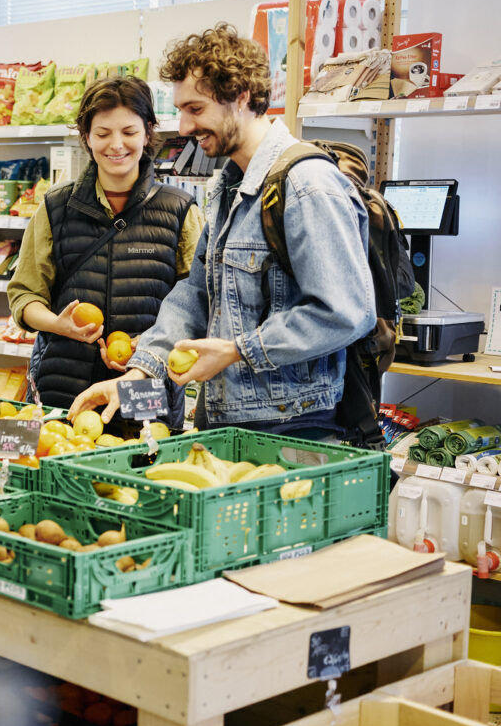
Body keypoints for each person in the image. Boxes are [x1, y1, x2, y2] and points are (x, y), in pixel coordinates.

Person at [70, 23, 376, 440]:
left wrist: (237, 351)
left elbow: (345, 312)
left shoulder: (307, 186)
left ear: (241, 96)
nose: (182, 126)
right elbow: (194, 296)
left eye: (195, 109)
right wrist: (139, 374)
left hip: (295, 428)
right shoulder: (227, 189)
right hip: (228, 418)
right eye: (180, 109)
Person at [6, 75, 202, 425]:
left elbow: (199, 304)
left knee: (141, 468)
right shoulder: (55, 208)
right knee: (59, 466)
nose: (117, 145)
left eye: (129, 132)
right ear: (86, 138)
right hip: (63, 386)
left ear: (148, 132)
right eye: (102, 133)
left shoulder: (181, 210)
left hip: (144, 390)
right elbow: (25, 295)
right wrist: (58, 324)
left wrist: (150, 345)